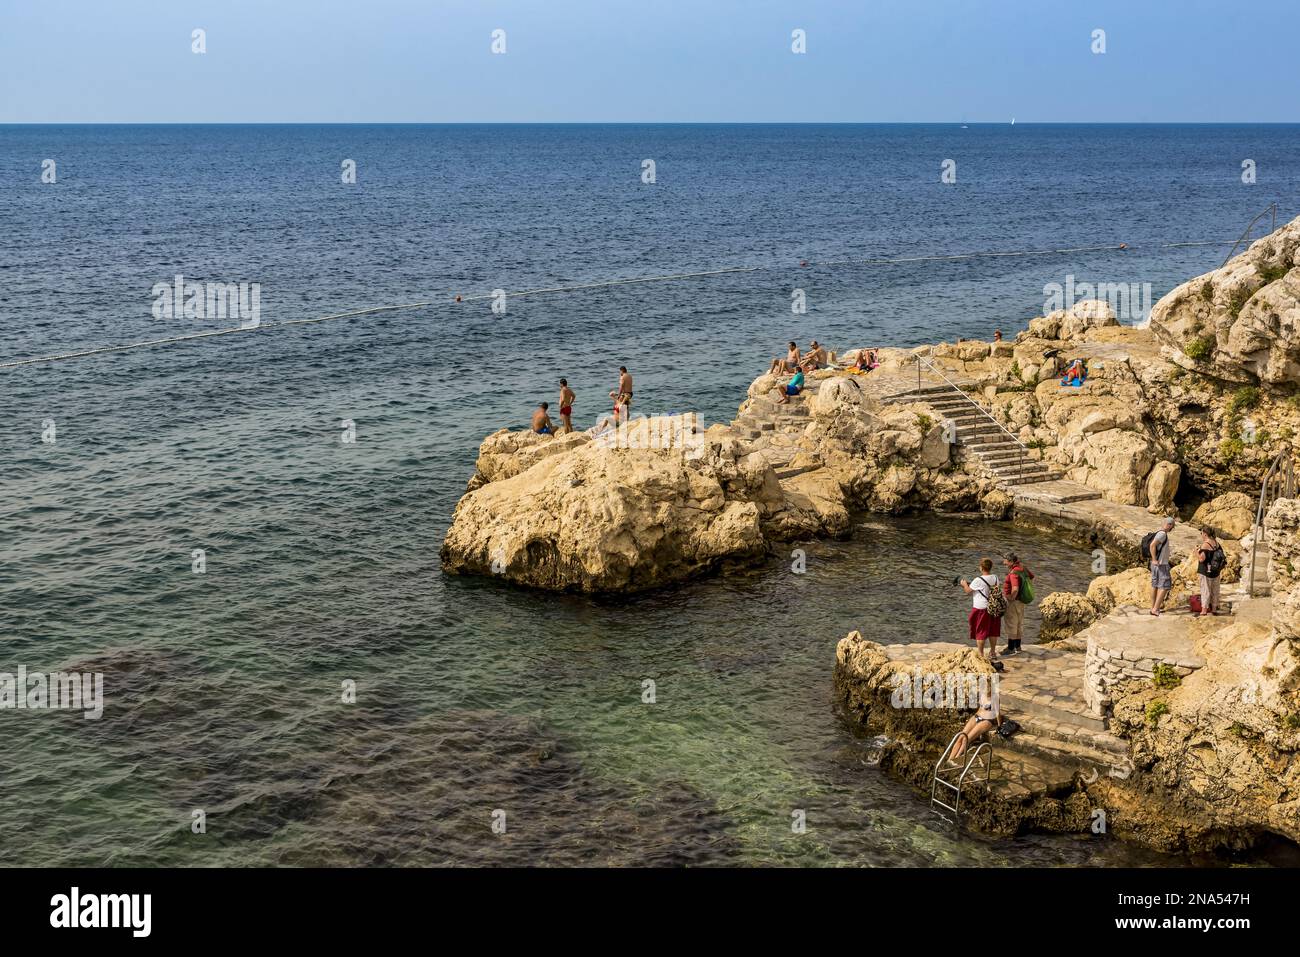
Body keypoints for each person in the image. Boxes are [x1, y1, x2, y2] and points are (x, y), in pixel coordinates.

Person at [960, 558, 1002, 665]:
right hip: (994, 608)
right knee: (993, 631)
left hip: (981, 609)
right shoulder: (996, 577)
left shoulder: (978, 580)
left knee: (981, 631)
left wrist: (964, 584)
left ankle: (981, 654)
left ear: (981, 568)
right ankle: (992, 652)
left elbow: (968, 591)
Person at [949, 688, 1000, 764]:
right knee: (961, 737)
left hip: (988, 720)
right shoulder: (982, 694)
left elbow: (998, 714)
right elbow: (980, 708)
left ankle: (956, 759)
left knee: (966, 739)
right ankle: (949, 760)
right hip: (977, 716)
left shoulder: (995, 697)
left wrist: (999, 726)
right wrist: (975, 717)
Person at [1001, 552, 1033, 654]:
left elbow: (1015, 588)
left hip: (1014, 602)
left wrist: (1010, 597)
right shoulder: (1022, 567)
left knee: (1011, 624)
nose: (1003, 563)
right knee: (1019, 623)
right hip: (1021, 601)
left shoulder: (1014, 573)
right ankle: (1018, 647)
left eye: (1005, 561)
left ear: (1010, 562)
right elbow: (1031, 576)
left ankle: (1010, 648)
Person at [1149, 516, 1176, 616]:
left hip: (1155, 565)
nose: (1172, 528)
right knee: (1165, 585)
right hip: (1161, 564)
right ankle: (1155, 609)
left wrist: (1153, 560)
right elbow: (1152, 545)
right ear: (1169, 525)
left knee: (1155, 585)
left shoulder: (1159, 532)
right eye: (1172, 526)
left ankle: (1153, 607)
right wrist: (1155, 559)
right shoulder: (1162, 534)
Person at [1196, 527, 1225, 616]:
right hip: (1215, 571)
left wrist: (1196, 552)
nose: (1201, 535)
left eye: (1201, 533)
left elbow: (1202, 559)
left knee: (1205, 590)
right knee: (1215, 590)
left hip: (1206, 571)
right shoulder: (1217, 543)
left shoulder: (1205, 544)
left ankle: (1204, 610)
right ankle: (1214, 609)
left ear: (1205, 534)